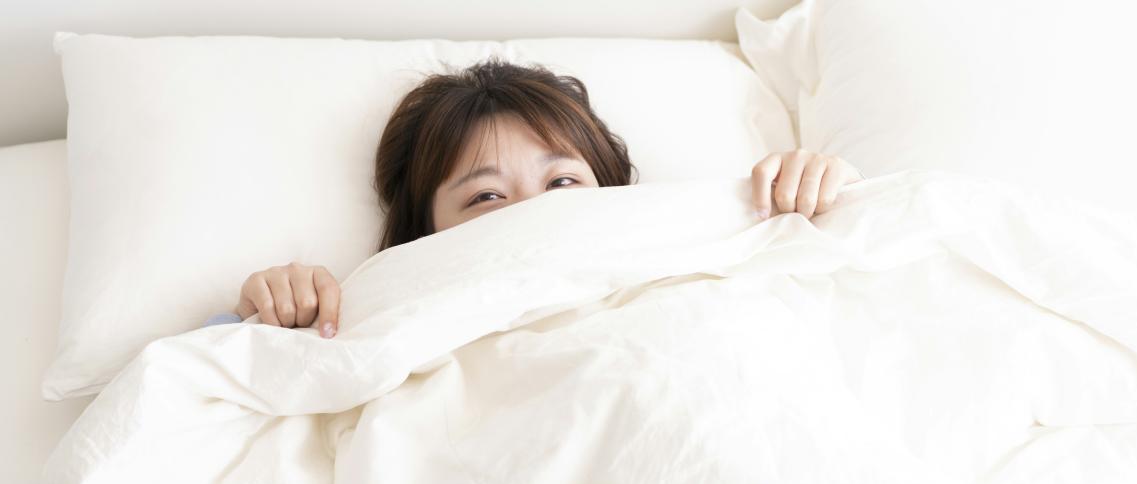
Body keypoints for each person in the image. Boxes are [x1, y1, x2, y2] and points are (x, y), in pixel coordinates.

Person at [203, 58, 862, 336]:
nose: (536, 214)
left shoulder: (681, 253)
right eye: (487, 196)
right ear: (424, 234)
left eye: (564, 182)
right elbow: (202, 394)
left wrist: (816, 198)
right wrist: (267, 316)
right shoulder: (385, 304)